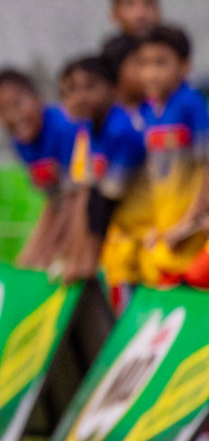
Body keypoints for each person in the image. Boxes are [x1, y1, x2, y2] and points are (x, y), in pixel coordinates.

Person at [57, 54, 148, 305]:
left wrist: (86, 263)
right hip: (123, 247)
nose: (79, 97)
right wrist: (73, 258)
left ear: (113, 88)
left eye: (90, 86)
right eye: (71, 89)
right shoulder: (88, 130)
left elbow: (104, 202)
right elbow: (84, 196)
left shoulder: (123, 130)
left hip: (147, 246)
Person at [134, 25, 209, 289]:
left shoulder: (192, 104)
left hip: (191, 234)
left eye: (161, 63)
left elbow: (206, 165)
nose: (151, 72)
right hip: (166, 231)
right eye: (143, 63)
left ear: (184, 66)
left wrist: (190, 220)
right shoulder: (148, 111)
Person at [0, 67, 81, 272]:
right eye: (2, 110)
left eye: (18, 104)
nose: (14, 115)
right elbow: (54, 201)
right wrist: (29, 257)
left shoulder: (66, 128)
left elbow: (76, 199)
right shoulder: (21, 142)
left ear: (38, 98)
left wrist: (52, 251)